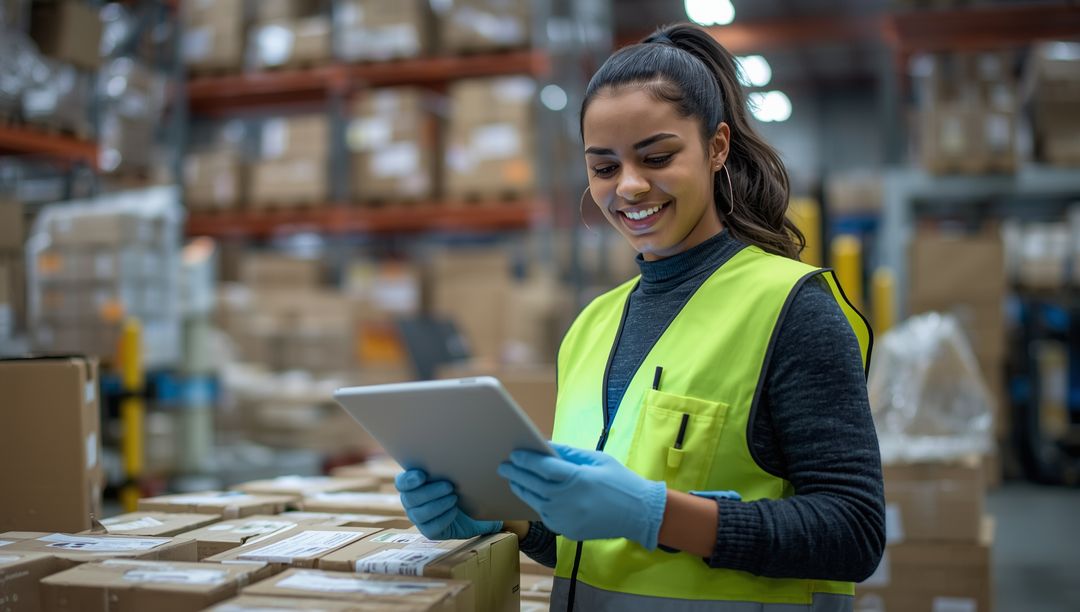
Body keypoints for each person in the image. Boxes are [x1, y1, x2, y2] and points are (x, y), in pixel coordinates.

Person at [395, 22, 885, 611]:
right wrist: (507, 518)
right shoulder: (591, 328)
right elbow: (590, 547)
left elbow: (853, 532)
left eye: (657, 156)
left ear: (717, 147)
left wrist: (656, 513)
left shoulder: (790, 307)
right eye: (604, 168)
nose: (628, 186)